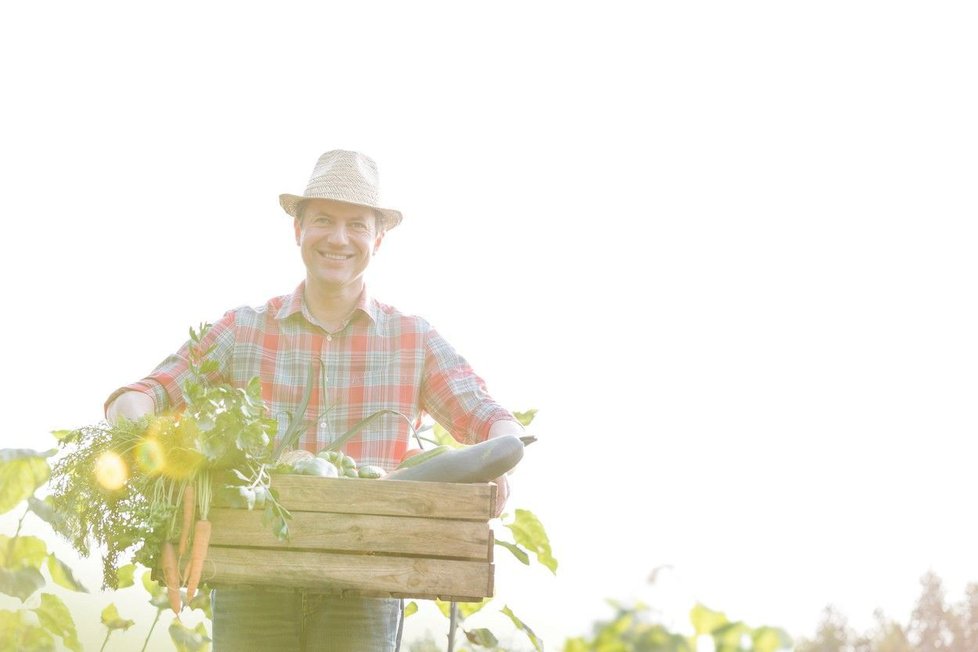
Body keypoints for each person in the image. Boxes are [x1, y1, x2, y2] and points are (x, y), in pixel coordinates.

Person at [105, 149, 525, 651]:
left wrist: (498, 460)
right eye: (324, 220)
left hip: (365, 581)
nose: (339, 238)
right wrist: (135, 430)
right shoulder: (244, 330)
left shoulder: (412, 339)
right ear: (298, 229)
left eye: (356, 224)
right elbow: (147, 394)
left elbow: (490, 421)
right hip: (252, 574)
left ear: (379, 238)